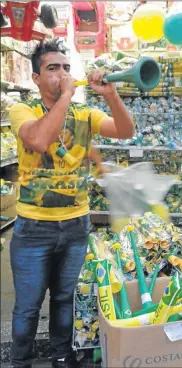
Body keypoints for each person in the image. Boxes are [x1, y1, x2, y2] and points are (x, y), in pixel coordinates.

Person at [9, 39, 134, 368]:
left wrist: (110, 96)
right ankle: (20, 362)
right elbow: (38, 139)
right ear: (36, 78)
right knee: (28, 305)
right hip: (33, 229)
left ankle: (62, 357)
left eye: (66, 68)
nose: (62, 74)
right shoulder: (23, 109)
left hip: (77, 225)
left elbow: (125, 130)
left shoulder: (85, 114)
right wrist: (65, 94)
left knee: (65, 300)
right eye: (52, 69)